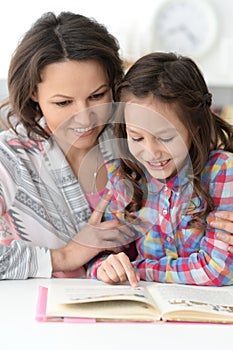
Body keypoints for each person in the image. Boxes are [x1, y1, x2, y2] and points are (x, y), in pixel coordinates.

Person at [0, 11, 135, 279]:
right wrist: (63, 257)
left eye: (97, 96)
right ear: (33, 93)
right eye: (63, 103)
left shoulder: (136, 140)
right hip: (38, 313)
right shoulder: (9, 158)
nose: (85, 118)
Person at [87, 52, 233, 287]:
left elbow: (217, 270)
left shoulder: (222, 172)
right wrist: (108, 267)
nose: (151, 152)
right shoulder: (123, 175)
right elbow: (98, 259)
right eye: (137, 138)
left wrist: (138, 270)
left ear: (194, 126)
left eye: (165, 137)